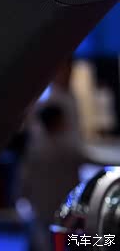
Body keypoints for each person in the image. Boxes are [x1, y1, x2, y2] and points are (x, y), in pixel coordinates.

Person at [20, 103, 88, 251]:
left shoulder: (35, 148)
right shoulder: (68, 148)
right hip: (64, 201)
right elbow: (88, 159)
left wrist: (24, 195)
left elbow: (25, 177)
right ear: (58, 121)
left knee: (43, 235)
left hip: (41, 202)